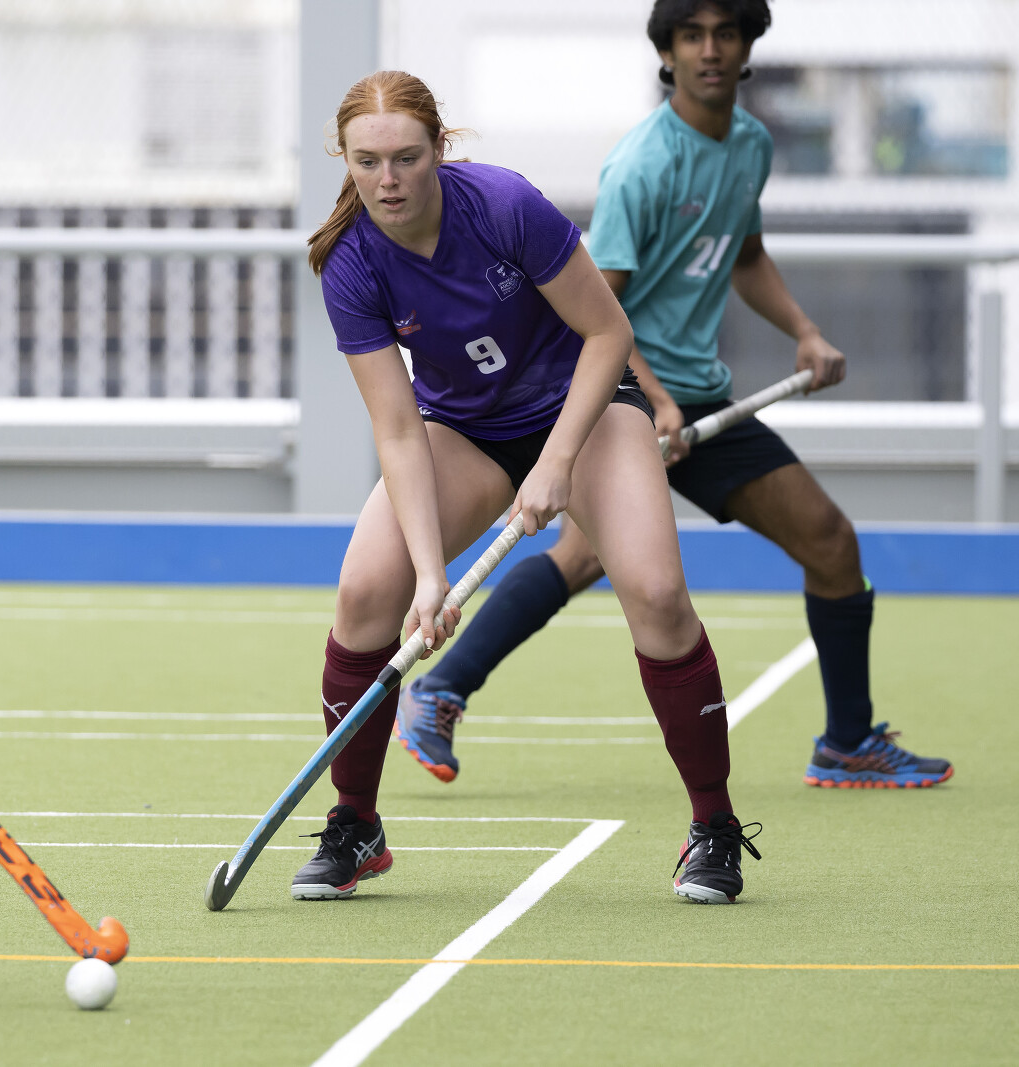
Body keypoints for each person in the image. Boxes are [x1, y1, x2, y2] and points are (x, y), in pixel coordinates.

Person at [395, 0, 953, 792]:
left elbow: (744, 253)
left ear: (748, 46)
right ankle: (440, 689)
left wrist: (804, 331)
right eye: (692, 36)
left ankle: (848, 741)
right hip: (624, 400)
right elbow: (594, 314)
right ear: (668, 54)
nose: (710, 51)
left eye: (726, 34)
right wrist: (651, 399)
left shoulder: (750, 144)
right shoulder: (643, 165)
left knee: (830, 542)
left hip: (702, 399)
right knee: (585, 556)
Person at [294, 70, 761, 908]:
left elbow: (607, 331)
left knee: (658, 596)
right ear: (346, 160)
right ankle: (355, 823)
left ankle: (714, 825)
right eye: (367, 162)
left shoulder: (504, 206)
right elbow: (397, 430)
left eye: (406, 158)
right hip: (462, 431)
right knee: (366, 589)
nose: (388, 181)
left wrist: (558, 459)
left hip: (585, 409)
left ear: (440, 148)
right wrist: (430, 576)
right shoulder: (350, 262)